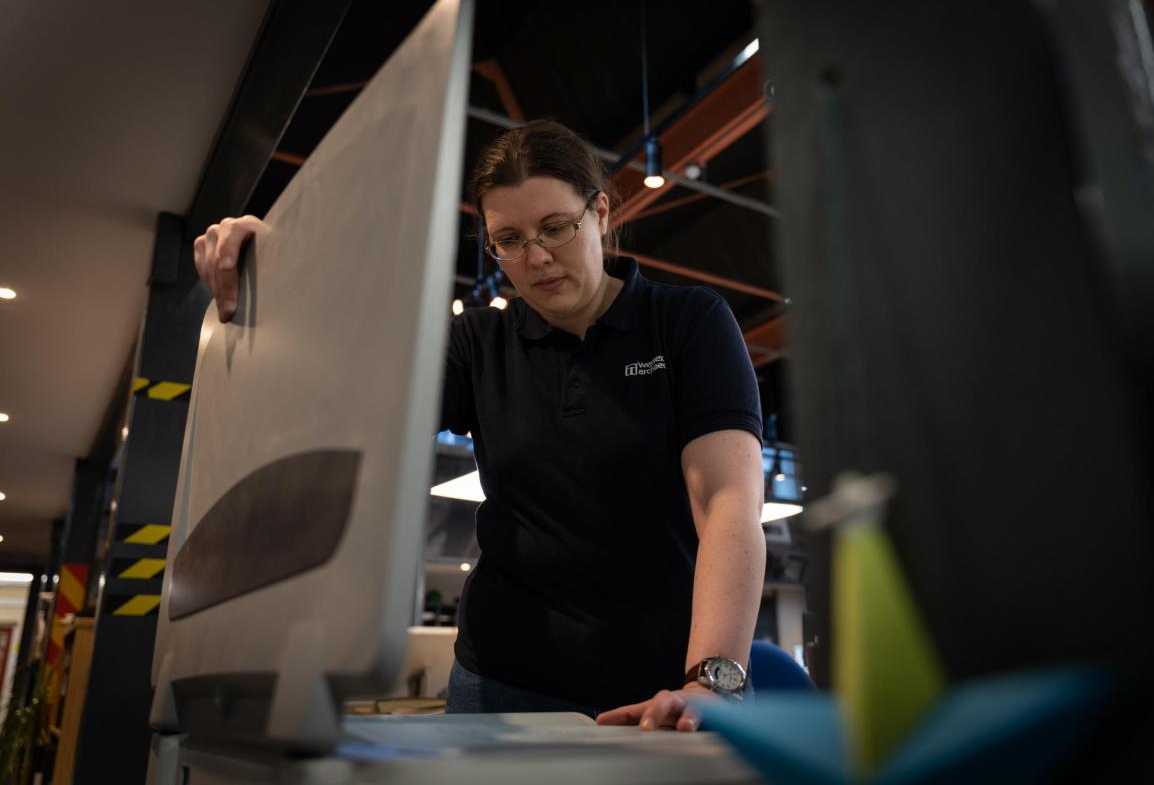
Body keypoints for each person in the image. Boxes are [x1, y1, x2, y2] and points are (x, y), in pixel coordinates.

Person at [193, 119, 766, 732]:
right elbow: (351, 401)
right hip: (501, 684)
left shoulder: (686, 323)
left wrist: (712, 679)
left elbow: (728, 502)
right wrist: (282, 276)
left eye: (555, 227)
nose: (536, 257)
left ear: (599, 213)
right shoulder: (476, 343)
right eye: (508, 240)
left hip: (663, 684)